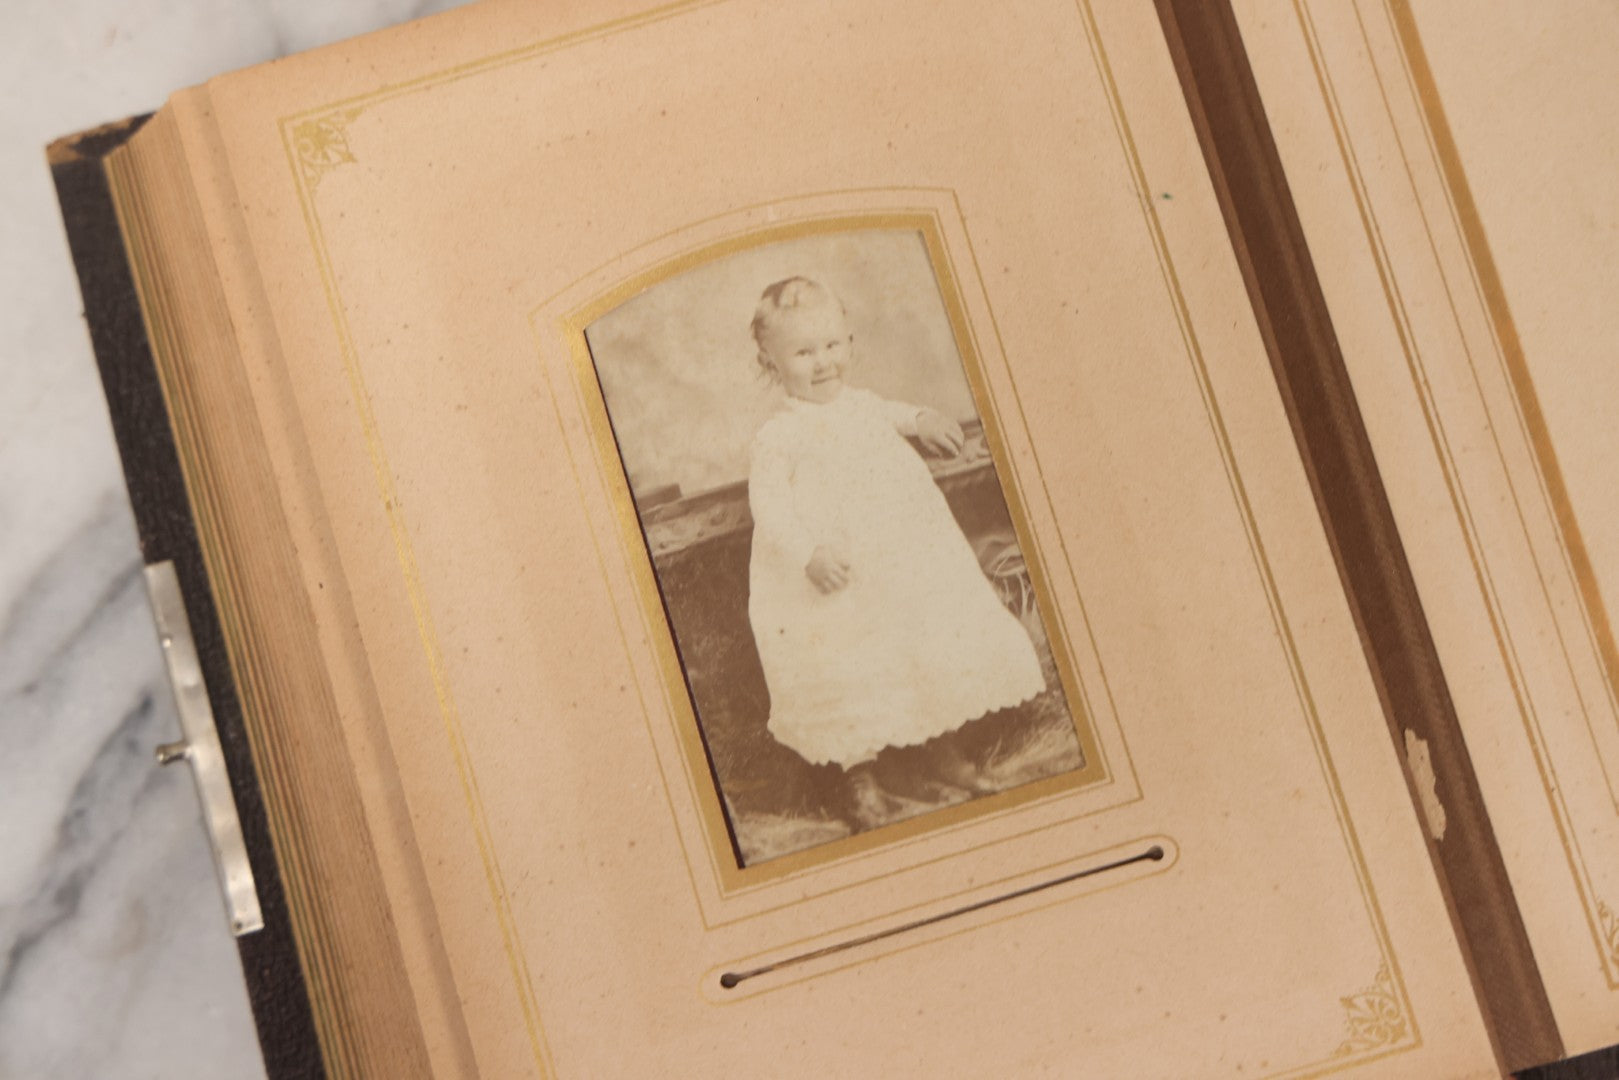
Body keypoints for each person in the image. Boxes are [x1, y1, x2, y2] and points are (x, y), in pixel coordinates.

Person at [744, 276, 1045, 830]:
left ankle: (940, 747)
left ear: (851, 342)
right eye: (803, 353)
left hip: (897, 566)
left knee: (918, 643)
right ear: (771, 362)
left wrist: (923, 419)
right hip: (832, 578)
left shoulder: (863, 405)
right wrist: (809, 553)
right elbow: (769, 505)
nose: (822, 363)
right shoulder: (779, 435)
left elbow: (897, 413)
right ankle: (856, 776)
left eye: (832, 346)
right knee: (846, 662)